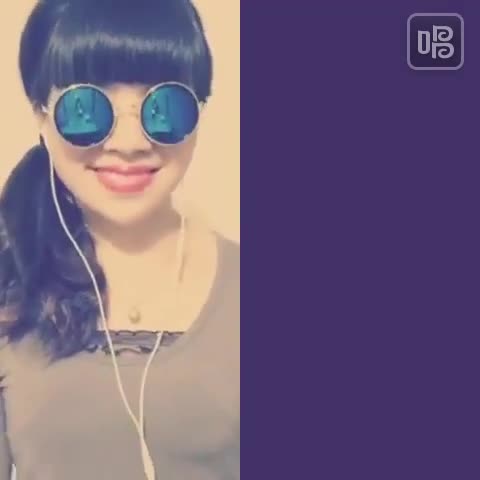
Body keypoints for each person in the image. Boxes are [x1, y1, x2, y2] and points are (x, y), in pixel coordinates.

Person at [0, 0, 240, 478]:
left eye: (164, 106)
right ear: (40, 114)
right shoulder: (9, 286)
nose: (130, 144)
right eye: (86, 108)